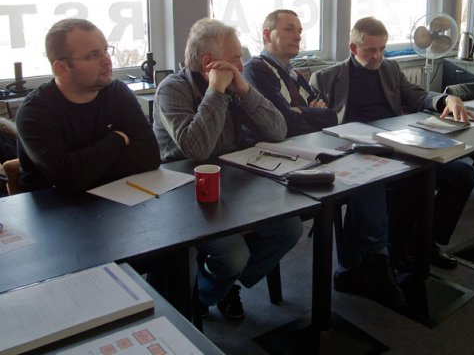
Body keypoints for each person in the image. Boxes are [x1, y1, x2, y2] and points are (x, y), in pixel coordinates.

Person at [243, 9, 406, 309]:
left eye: (299, 29)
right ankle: (370, 260)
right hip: (277, 161)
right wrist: (307, 113)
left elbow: (329, 115)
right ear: (266, 35)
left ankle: (367, 260)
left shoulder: (293, 73)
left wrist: (302, 113)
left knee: (373, 172)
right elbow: (284, 123)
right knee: (366, 176)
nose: (298, 35)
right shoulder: (256, 70)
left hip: (309, 151)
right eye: (289, 29)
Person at [153, 17, 303, 320]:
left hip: (232, 184)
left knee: (289, 229)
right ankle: (211, 289)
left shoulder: (236, 83)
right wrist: (216, 91)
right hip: (185, 193)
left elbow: (278, 131)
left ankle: (214, 286)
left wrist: (245, 91)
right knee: (234, 255)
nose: (241, 64)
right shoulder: (172, 90)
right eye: (235, 58)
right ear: (209, 62)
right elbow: (197, 150)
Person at [310, 16, 474, 270]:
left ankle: (424, 242)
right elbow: (316, 126)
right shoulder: (326, 78)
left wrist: (446, 100)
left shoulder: (390, 69)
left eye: (382, 49)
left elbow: (417, 96)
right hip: (355, 152)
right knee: (387, 183)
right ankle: (377, 257)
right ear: (353, 48)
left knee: (463, 174)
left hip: (396, 144)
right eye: (370, 50)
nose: (377, 56)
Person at [16, 18, 160, 193]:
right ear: (62, 68)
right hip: (52, 206)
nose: (107, 61)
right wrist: (118, 139)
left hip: (115, 198)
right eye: (93, 55)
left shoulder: (118, 92)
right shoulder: (34, 112)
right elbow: (68, 179)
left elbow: (150, 156)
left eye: (106, 50)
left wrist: (87, 169)